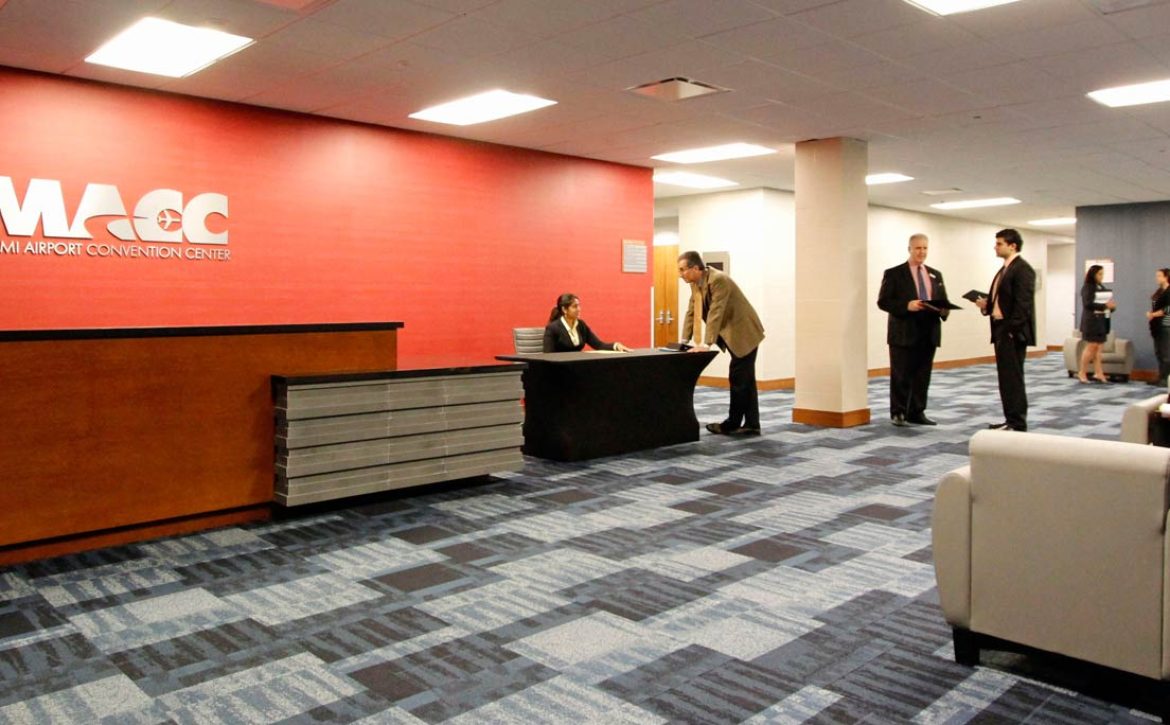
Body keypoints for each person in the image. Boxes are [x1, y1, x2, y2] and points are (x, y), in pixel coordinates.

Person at [678, 251, 765, 436]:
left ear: (695, 268)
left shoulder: (719, 280)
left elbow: (715, 311)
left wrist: (707, 343)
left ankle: (732, 424)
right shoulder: (696, 284)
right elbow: (691, 311)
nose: (680, 274)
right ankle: (752, 424)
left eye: (683, 270)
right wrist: (683, 341)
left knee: (739, 379)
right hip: (732, 334)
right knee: (746, 379)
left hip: (744, 333)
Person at [877, 233, 951, 427]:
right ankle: (899, 412)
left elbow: (942, 299)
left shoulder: (935, 274)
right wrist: (906, 305)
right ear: (909, 249)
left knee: (922, 374)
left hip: (929, 332)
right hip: (903, 331)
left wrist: (943, 310)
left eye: (925, 248)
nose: (922, 252)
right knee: (901, 374)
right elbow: (883, 301)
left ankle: (917, 411)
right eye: (918, 248)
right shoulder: (894, 273)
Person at [974, 229, 1035, 432]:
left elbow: (1023, 305)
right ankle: (1010, 419)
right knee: (1006, 378)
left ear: (1012, 246)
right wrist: (987, 305)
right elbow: (1004, 300)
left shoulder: (1022, 269)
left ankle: (1017, 422)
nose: (995, 247)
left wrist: (1010, 330)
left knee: (1013, 378)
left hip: (1011, 332)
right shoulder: (1005, 269)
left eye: (999, 243)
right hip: (1001, 328)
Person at [542, 293, 631, 353]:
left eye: (579, 306)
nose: (579, 309)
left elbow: (598, 345)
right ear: (564, 309)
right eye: (575, 307)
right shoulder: (553, 328)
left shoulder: (581, 325)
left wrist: (615, 345)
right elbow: (548, 355)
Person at [1077, 264, 1116, 384]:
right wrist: (1105, 306)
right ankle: (1082, 372)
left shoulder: (1101, 287)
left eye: (1102, 274)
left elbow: (1106, 304)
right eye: (1099, 274)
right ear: (1093, 274)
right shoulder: (1088, 287)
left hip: (1101, 321)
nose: (1101, 276)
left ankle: (1099, 372)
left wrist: (1111, 307)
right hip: (1091, 321)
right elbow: (1088, 304)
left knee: (1099, 348)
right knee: (1091, 346)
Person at [1147, 268, 1170, 386]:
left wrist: (1153, 314)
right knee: (1159, 352)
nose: (1157, 278)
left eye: (1160, 276)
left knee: (1166, 353)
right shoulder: (1159, 291)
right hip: (1156, 326)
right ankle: (1161, 376)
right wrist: (1152, 314)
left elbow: (1168, 309)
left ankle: (1166, 378)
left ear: (1166, 277)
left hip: (1166, 325)